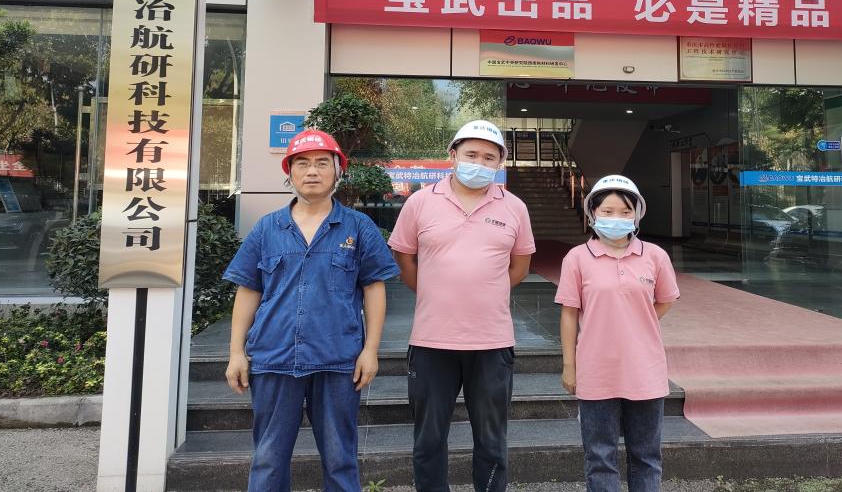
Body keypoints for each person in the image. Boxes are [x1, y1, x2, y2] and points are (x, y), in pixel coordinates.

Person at [222, 129, 400, 492]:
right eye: (302, 163)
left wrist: (371, 350)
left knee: (340, 458)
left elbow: (374, 288)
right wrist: (236, 352)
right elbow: (248, 289)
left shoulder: (358, 227)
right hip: (274, 357)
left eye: (322, 163)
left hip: (338, 359)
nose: (313, 171)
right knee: (268, 458)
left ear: (338, 171)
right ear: (289, 172)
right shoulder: (267, 228)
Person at [388, 119, 536, 492]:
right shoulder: (420, 202)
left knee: (492, 440)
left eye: (489, 157)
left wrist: (483, 290)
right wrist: (436, 290)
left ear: (499, 163)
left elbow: (519, 267)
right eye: (471, 154)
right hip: (431, 341)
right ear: (452, 155)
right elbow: (404, 259)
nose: (479, 163)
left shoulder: (514, 207)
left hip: (492, 343)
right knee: (428, 439)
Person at [554, 175, 679, 492]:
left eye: (625, 212)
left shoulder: (654, 256)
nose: (616, 218)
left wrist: (637, 321)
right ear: (593, 213)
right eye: (607, 211)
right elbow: (569, 313)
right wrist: (569, 365)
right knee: (600, 458)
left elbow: (665, 299)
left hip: (645, 370)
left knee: (646, 456)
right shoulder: (577, 258)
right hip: (596, 370)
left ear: (637, 215)